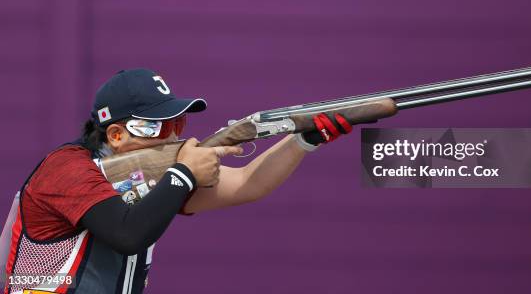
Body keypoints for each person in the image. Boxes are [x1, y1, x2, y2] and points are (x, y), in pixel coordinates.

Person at [1, 69, 352, 294]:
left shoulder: (149, 179)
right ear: (117, 135)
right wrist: (183, 174)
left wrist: (302, 140)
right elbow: (128, 234)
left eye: (177, 126)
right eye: (158, 127)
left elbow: (249, 183)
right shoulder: (66, 169)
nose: (171, 137)